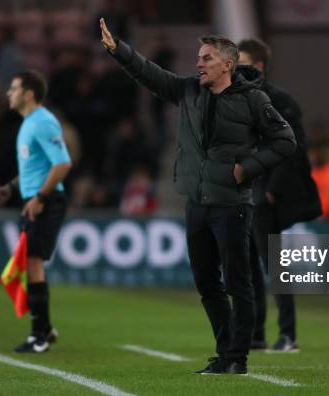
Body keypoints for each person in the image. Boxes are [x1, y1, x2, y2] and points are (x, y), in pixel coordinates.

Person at [100, 19, 296, 374]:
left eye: (206, 58)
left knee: (239, 283)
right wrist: (119, 51)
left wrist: (247, 168)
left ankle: (238, 357)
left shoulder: (253, 99)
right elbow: (151, 75)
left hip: (231, 205)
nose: (198, 64)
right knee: (207, 284)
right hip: (197, 203)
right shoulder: (189, 90)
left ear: (227, 65)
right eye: (199, 57)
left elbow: (286, 140)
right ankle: (225, 352)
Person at [238, 38, 322, 352]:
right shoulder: (237, 99)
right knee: (247, 267)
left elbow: (294, 149)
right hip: (244, 192)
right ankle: (256, 334)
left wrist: (271, 190)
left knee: (273, 264)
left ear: (258, 65)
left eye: (242, 61)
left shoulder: (280, 101)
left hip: (264, 194)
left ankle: (288, 334)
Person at [0, 70, 72, 353]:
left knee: (33, 263)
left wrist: (39, 197)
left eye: (13, 89)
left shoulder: (43, 122)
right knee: (32, 264)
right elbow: (34, 168)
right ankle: (45, 330)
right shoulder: (29, 124)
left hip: (46, 203)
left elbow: (62, 164)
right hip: (35, 200)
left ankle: (38, 336)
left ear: (28, 94)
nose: (7, 94)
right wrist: (11, 188)